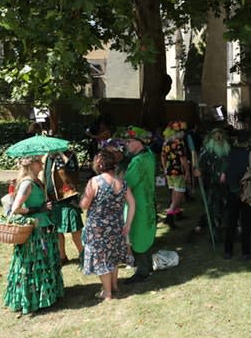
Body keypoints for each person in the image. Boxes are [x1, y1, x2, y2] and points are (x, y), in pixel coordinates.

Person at [3, 156, 64, 314]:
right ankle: (32, 298)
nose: (42, 163)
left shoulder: (36, 180)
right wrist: (38, 209)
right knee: (34, 262)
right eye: (38, 161)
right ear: (31, 165)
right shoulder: (26, 183)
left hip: (44, 227)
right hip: (35, 231)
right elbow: (16, 208)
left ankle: (47, 296)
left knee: (46, 260)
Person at [80, 150, 136, 301]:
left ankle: (107, 292)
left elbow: (84, 205)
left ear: (98, 164)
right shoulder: (122, 182)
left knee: (101, 259)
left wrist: (81, 198)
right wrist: (128, 224)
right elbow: (132, 203)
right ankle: (114, 286)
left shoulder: (94, 182)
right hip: (116, 225)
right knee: (113, 257)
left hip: (98, 228)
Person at [221, 131, 251, 260]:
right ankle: (246, 253)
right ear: (248, 143)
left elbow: (222, 178)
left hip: (232, 193)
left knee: (231, 223)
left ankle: (228, 251)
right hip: (246, 194)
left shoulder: (229, 155)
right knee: (246, 223)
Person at [123, 126, 157, 283]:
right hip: (149, 201)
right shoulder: (150, 156)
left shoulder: (138, 161)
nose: (127, 144)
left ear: (139, 143)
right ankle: (147, 267)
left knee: (138, 235)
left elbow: (127, 183)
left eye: (129, 141)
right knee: (147, 232)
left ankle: (143, 271)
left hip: (138, 204)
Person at [44, 150, 83, 264]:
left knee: (75, 230)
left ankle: (83, 255)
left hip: (68, 199)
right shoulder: (47, 158)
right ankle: (62, 256)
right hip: (53, 200)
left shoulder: (69, 156)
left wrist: (61, 155)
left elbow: (72, 172)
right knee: (57, 230)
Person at [193, 127, 230, 234]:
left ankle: (223, 225)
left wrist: (225, 172)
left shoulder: (227, 150)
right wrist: (199, 171)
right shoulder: (206, 152)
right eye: (216, 135)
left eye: (220, 135)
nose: (219, 137)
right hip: (211, 183)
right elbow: (200, 167)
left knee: (224, 205)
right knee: (212, 205)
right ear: (211, 137)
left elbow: (229, 163)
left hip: (225, 184)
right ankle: (213, 229)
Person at [161, 121, 191, 229]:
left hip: (169, 170)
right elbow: (183, 159)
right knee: (180, 193)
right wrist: (187, 171)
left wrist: (165, 168)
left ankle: (176, 213)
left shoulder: (166, 143)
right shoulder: (179, 143)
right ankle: (170, 214)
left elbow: (163, 156)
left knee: (174, 191)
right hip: (178, 170)